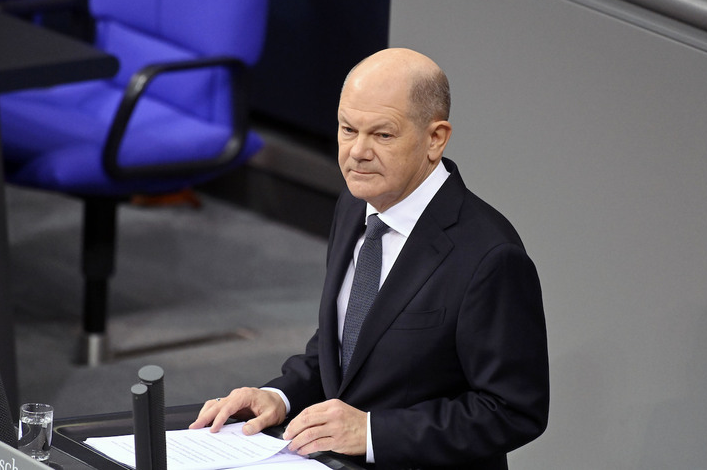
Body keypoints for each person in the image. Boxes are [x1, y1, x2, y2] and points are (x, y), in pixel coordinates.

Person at [190, 48, 549, 469]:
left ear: (435, 138)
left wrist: (374, 432)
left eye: (382, 135)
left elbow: (513, 410)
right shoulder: (354, 203)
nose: (357, 151)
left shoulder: (490, 256)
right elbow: (346, 351)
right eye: (347, 129)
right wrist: (280, 396)